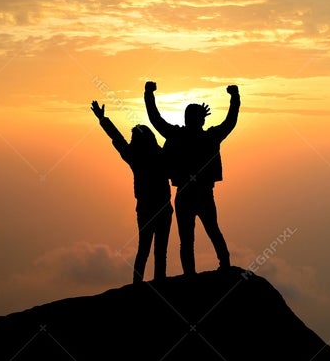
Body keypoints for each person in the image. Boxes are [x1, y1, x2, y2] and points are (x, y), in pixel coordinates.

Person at [144, 81, 240, 276]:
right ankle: (225, 267)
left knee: (188, 239)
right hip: (203, 194)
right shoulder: (211, 137)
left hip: (186, 194)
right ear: (202, 120)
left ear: (187, 119)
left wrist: (148, 94)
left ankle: (190, 275)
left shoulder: (177, 136)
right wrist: (234, 97)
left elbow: (156, 119)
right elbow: (231, 121)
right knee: (212, 231)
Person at [90, 100, 173, 283]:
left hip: (146, 208)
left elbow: (117, 139)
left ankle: (138, 285)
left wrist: (103, 119)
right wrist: (103, 119)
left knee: (144, 248)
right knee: (160, 250)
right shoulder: (160, 157)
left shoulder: (135, 157)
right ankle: (160, 283)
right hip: (163, 208)